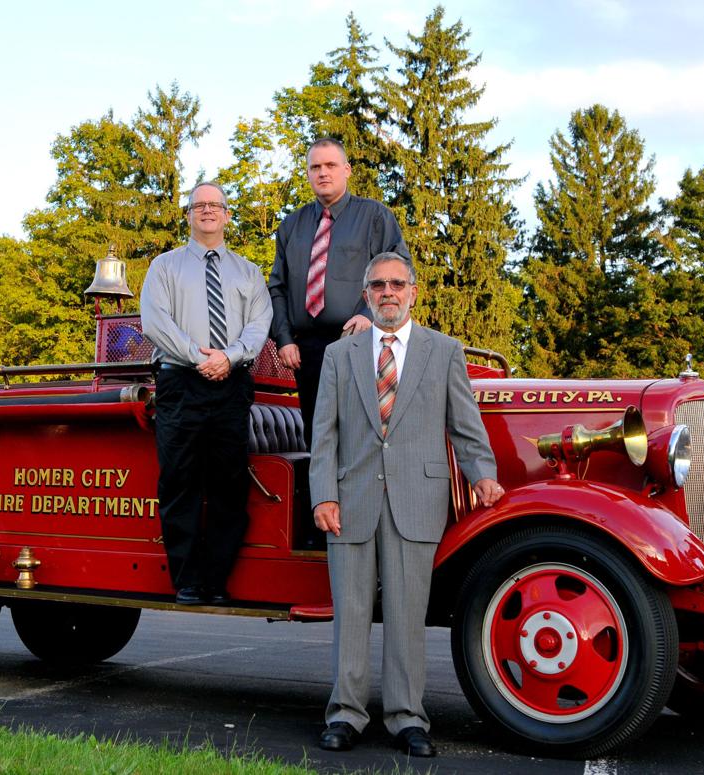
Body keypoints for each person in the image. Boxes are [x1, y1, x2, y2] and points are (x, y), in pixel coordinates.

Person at [310, 252, 503, 757]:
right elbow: (324, 433)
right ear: (367, 295)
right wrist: (323, 494)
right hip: (350, 500)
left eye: (397, 284)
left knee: (406, 614)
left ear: (413, 292)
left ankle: (406, 719)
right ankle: (345, 715)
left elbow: (465, 425)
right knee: (350, 614)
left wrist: (482, 476)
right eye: (378, 285)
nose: (388, 293)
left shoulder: (444, 352)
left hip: (418, 499)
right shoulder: (340, 355)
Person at [140, 182, 273, 605]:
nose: (208, 211)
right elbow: (155, 322)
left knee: (228, 485)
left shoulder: (248, 272)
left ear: (227, 215)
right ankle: (187, 581)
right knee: (179, 480)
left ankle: (216, 581)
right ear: (190, 215)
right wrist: (200, 356)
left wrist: (228, 357)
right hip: (181, 380)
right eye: (200, 205)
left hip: (231, 383)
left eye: (215, 205)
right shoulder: (164, 267)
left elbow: (259, 323)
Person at [268, 137, 409, 446]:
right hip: (307, 352)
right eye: (315, 167)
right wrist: (284, 339)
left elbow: (398, 274)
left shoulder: (375, 217)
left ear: (346, 170)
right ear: (307, 173)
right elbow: (276, 286)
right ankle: (322, 496)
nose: (323, 173)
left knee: (362, 436)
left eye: (331, 165)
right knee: (318, 437)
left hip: (361, 344)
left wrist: (368, 315)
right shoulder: (291, 225)